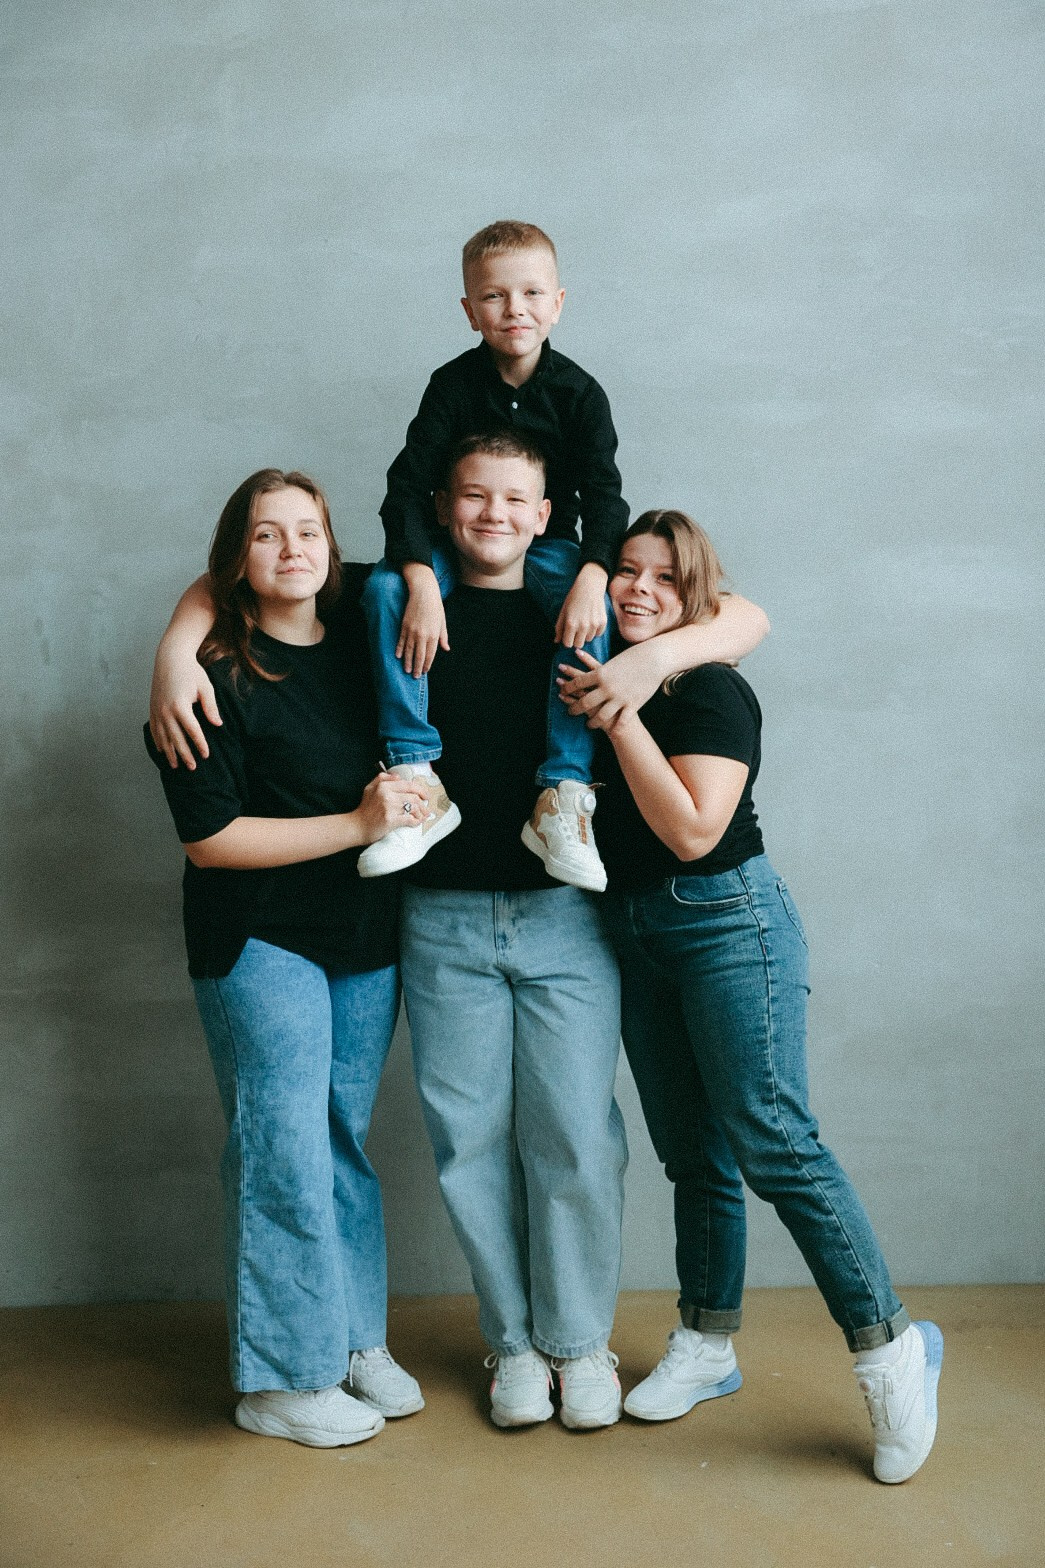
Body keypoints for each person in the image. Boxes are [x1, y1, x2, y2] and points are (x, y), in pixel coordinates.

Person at [394, 434, 769, 1432]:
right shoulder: (402, 591)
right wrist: (176, 650)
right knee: (468, 1139)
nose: (493, 514)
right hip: (440, 913)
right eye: (472, 496)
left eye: (514, 498)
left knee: (572, 1136)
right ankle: (514, 1345)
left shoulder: (583, 591)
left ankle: (575, 1341)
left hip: (567, 912)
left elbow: (740, 613)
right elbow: (261, 576)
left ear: (545, 510)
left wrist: (644, 644)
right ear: (441, 504)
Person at [562, 508, 942, 1482]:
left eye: (664, 577)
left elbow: (693, 830)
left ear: (694, 597)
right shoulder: (593, 665)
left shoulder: (709, 689)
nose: (639, 589)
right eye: (626, 570)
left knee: (773, 1136)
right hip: (635, 931)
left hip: (728, 921)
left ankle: (892, 1347)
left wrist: (622, 712)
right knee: (691, 1152)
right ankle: (706, 1339)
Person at [145, 469, 429, 1449]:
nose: (292, 549)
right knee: (283, 1143)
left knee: (340, 1135)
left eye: (307, 530)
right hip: (258, 937)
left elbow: (417, 577)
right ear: (237, 558)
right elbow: (209, 839)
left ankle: (351, 1340)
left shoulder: (359, 622)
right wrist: (357, 824)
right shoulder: (207, 678)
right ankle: (279, 1378)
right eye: (266, 535)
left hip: (363, 936)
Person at [356, 219, 630, 892]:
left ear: (557, 303)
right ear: (469, 310)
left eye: (532, 293)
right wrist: (422, 582)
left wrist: (592, 574)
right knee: (384, 591)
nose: (515, 310)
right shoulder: (451, 385)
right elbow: (405, 488)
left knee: (596, 608)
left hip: (547, 545)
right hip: (452, 542)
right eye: (494, 296)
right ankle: (417, 772)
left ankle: (562, 791)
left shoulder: (580, 394)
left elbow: (605, 496)